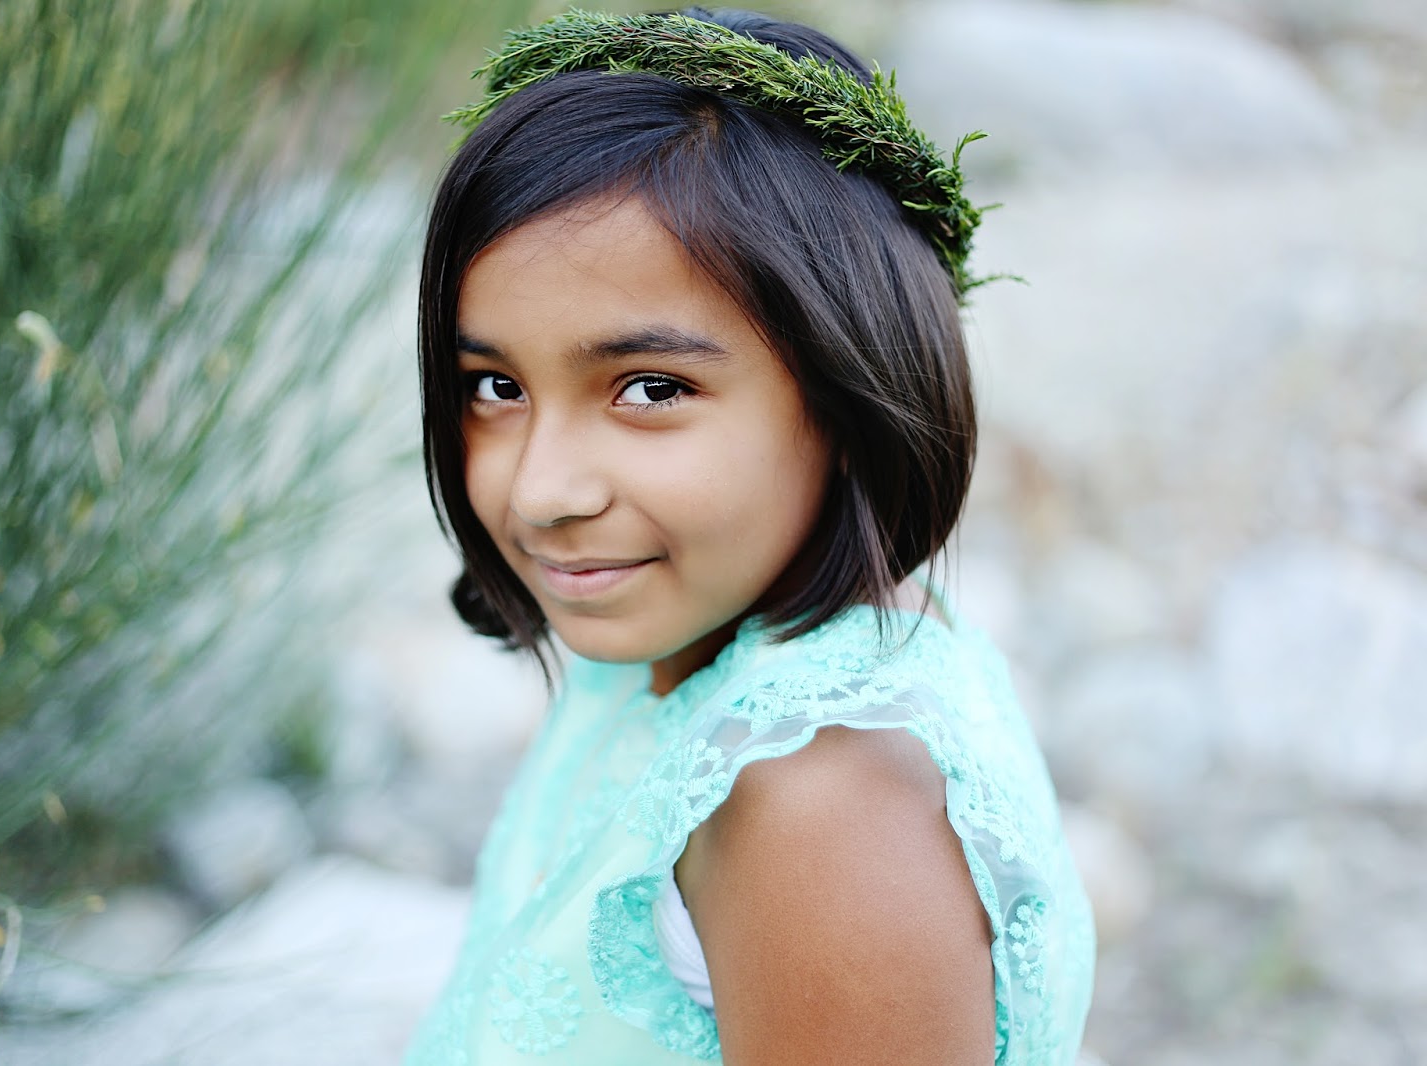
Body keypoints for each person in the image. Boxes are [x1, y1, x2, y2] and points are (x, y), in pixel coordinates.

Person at [406, 8, 1095, 1064]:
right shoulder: (693, 632)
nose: (540, 492)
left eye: (649, 389)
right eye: (494, 386)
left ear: (850, 392)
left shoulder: (822, 805)